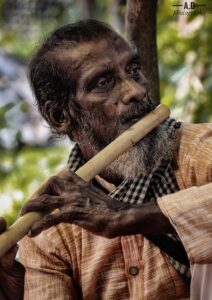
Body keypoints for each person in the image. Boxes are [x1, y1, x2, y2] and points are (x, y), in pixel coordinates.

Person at [4, 19, 211, 299]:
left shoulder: (197, 150)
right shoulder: (52, 229)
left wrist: (125, 215)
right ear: (61, 116)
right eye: (103, 83)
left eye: (134, 70)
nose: (135, 91)